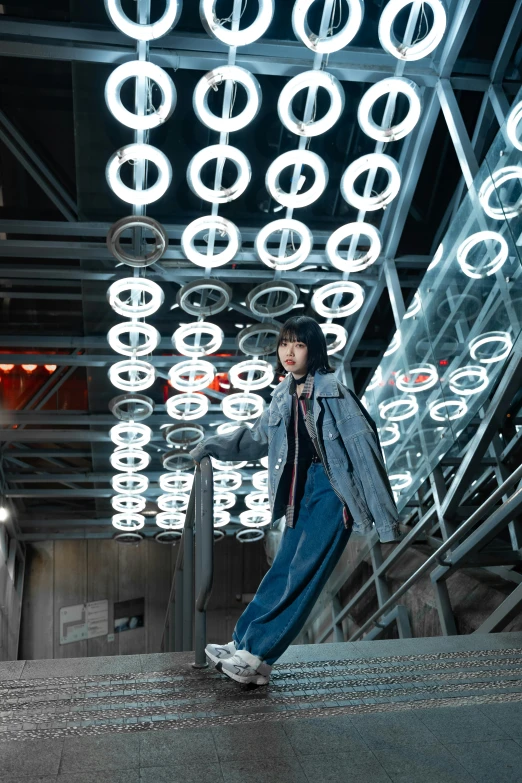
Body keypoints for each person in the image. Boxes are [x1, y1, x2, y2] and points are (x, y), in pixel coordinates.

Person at [189, 315, 401, 686]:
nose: (289, 351)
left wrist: (386, 523)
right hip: (298, 493)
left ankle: (259, 657)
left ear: (313, 350)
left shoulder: (335, 393)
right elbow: (255, 437)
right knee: (281, 570)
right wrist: (211, 446)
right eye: (285, 343)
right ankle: (243, 642)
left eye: (299, 344)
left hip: (334, 495)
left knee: (301, 577)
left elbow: (367, 454)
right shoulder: (283, 395)